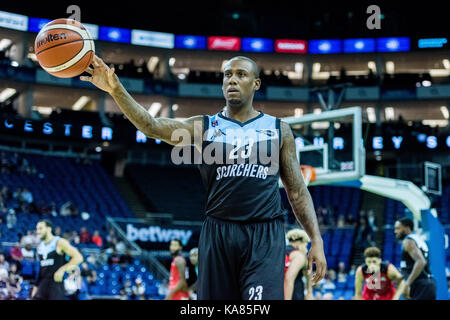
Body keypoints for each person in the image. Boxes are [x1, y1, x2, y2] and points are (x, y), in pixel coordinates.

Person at [82, 54, 326, 300]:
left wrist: (315, 239)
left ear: (256, 84)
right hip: (218, 232)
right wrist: (115, 89)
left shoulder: (278, 129)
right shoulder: (204, 127)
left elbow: (296, 190)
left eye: (241, 75)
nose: (232, 80)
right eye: (227, 75)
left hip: (263, 234)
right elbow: (151, 126)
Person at [31, 220, 84, 300]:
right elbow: (41, 271)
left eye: (40, 228)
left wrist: (62, 269)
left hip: (56, 285)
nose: (38, 231)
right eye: (37, 229)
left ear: (49, 229)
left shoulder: (59, 242)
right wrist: (35, 288)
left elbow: (78, 257)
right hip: (43, 285)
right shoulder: (40, 247)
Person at [393, 217, 437, 300]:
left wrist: (407, 284)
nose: (395, 231)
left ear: (407, 228)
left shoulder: (408, 241)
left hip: (421, 285)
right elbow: (412, 265)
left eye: (398, 228)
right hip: (426, 284)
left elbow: (421, 262)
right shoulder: (417, 239)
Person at [284, 228, 313, 300]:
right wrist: (309, 292)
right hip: (294, 295)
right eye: (305, 246)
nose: (306, 250)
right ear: (299, 243)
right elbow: (289, 279)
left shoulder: (279, 252)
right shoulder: (299, 256)